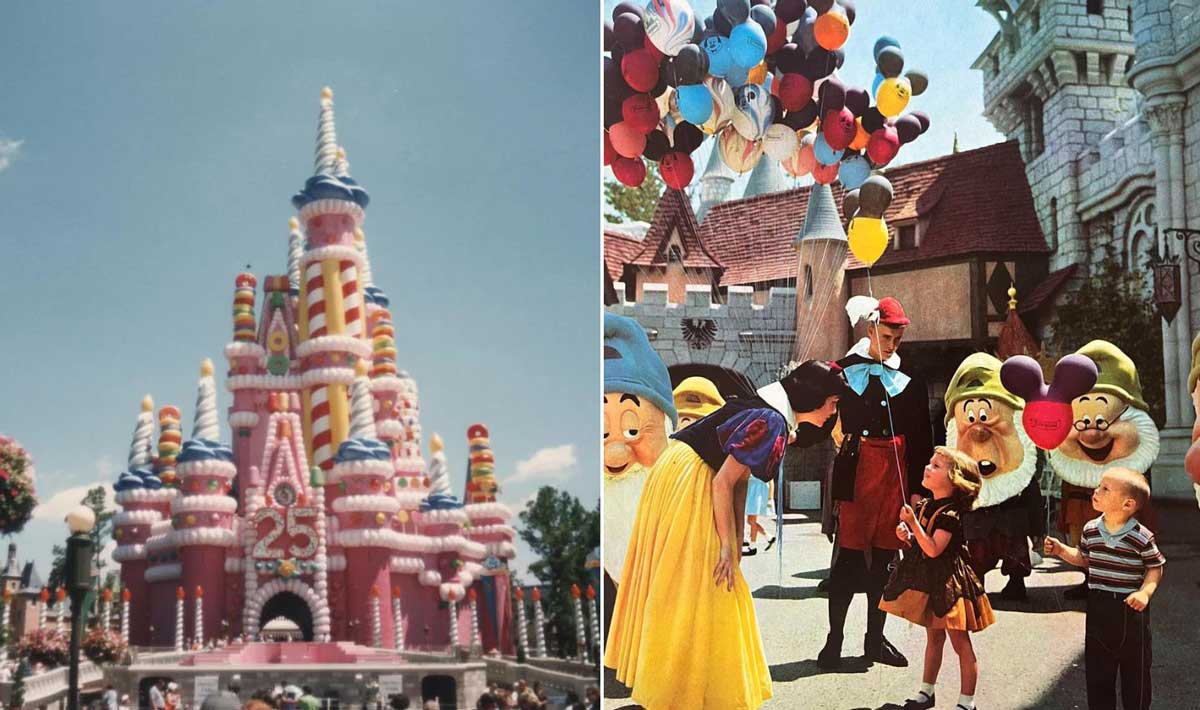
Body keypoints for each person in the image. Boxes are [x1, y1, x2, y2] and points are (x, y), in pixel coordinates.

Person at [606, 360, 850, 709]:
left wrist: (735, 538)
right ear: (813, 398)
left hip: (679, 471)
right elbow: (723, 482)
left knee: (699, 587)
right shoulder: (772, 421)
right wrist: (724, 545)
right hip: (693, 481)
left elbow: (738, 479)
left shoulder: (765, 412)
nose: (833, 412)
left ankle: (698, 685)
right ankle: (684, 689)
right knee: (700, 586)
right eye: (833, 403)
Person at [820, 296, 933, 670]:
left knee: (886, 560)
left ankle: (874, 641)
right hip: (857, 471)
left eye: (898, 339)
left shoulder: (910, 379)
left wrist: (917, 489)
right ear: (870, 330)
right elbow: (816, 409)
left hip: (895, 474)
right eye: (886, 336)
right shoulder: (841, 370)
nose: (892, 345)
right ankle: (833, 643)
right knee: (848, 559)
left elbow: (921, 436)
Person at [879, 447, 994, 710]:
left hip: (950, 585)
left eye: (936, 466)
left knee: (960, 643)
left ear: (954, 480)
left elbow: (933, 548)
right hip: (929, 582)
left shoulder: (950, 515)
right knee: (934, 639)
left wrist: (914, 526)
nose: (928, 468)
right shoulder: (925, 506)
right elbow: (920, 547)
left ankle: (967, 702)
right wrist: (906, 536)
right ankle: (926, 692)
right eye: (930, 463)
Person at [1043, 467, 1164, 710]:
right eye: (1099, 486)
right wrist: (1061, 551)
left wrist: (1144, 592)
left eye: (1105, 489)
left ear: (1127, 504)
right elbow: (1085, 558)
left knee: (1136, 674)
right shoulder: (1091, 529)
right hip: (1098, 608)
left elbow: (1155, 567)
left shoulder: (1141, 537)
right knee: (1098, 674)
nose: (1096, 491)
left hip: (1130, 610)